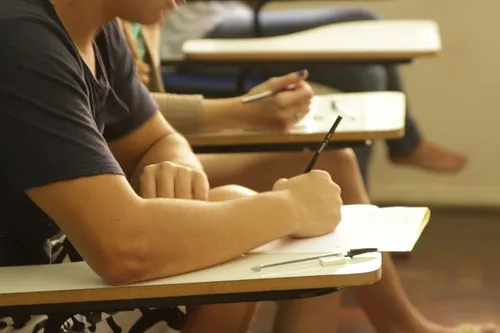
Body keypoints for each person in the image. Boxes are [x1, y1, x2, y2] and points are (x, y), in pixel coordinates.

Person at [121, 20, 499, 333]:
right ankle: (402, 326)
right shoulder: (97, 23)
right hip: (118, 170)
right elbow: (120, 113)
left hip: (152, 153)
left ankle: (395, 324)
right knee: (260, 198)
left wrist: (176, 142)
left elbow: (140, 109)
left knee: (329, 173)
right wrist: (240, 112)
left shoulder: (139, 20)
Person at [0, 0, 344, 332]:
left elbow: (156, 139)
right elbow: (124, 250)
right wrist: (293, 208)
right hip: (15, 304)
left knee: (229, 210)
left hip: (41, 270)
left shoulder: (98, 31)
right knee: (238, 240)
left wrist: (176, 164)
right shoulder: (20, 38)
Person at [158, 1, 468, 179]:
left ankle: (359, 213)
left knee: (367, 74)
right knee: (363, 21)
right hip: (192, 32)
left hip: (226, 15)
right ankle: (405, 147)